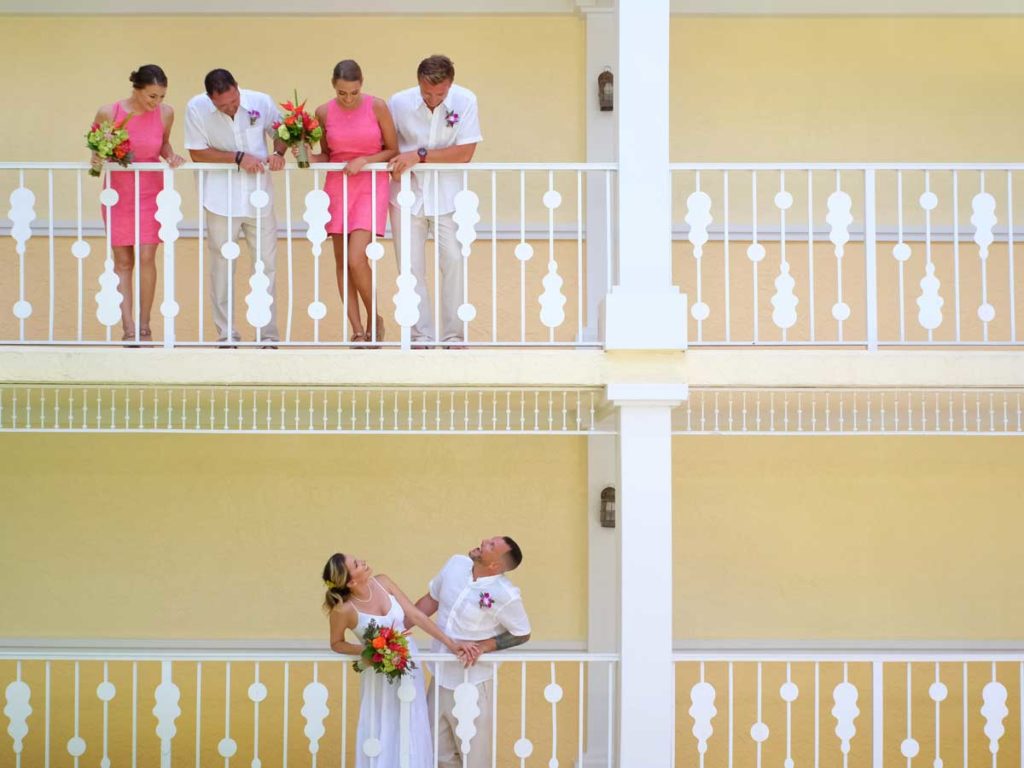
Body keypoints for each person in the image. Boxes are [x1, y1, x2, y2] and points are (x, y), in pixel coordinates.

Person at [323, 552, 477, 768]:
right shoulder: (344, 609)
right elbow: (336, 643)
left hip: (409, 665)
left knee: (412, 720)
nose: (363, 560)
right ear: (350, 581)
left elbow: (416, 616)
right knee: (383, 724)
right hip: (379, 674)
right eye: (357, 564)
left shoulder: (383, 582)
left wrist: (451, 644)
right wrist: (368, 650)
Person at [184, 68, 285, 347]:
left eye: (233, 100)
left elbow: (282, 131)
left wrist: (278, 152)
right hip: (219, 198)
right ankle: (227, 334)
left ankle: (268, 336)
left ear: (237, 88)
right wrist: (237, 157)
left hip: (259, 196)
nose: (230, 107)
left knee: (267, 267)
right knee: (222, 267)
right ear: (210, 98)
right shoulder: (196, 109)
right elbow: (197, 151)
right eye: (222, 105)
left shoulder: (260, 101)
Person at [387, 54, 482, 348]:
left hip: (449, 195)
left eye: (439, 94)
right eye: (427, 92)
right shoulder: (398, 102)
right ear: (418, 83)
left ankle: (454, 337)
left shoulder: (466, 100)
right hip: (406, 194)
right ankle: (420, 337)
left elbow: (465, 152)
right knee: (410, 268)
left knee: (453, 261)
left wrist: (420, 154)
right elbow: (388, 147)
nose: (432, 99)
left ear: (450, 85)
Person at [415, 536, 531, 768]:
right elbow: (431, 601)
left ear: (495, 566)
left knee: (474, 755)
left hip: (474, 681)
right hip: (439, 676)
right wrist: (394, 630)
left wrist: (484, 647)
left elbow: (522, 632)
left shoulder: (506, 595)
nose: (483, 541)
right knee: (436, 751)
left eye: (490, 546)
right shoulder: (455, 564)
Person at [92, 64, 185, 343]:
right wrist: (98, 158)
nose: (156, 102)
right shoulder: (110, 112)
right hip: (119, 192)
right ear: (137, 89)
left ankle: (145, 326)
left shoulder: (166, 114)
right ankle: (128, 326)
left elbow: (163, 144)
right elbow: (97, 147)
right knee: (123, 261)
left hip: (151, 190)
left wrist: (171, 155)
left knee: (147, 256)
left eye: (161, 96)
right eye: (151, 96)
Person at [308, 60, 398, 346]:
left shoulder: (377, 106)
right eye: (342, 93)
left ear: (362, 85)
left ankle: (375, 319)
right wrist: (306, 156)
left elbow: (392, 149)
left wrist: (365, 160)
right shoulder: (322, 112)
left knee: (357, 258)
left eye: (354, 92)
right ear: (334, 87)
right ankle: (358, 330)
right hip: (337, 186)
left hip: (370, 184)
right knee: (341, 262)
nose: (348, 98)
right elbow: (327, 155)